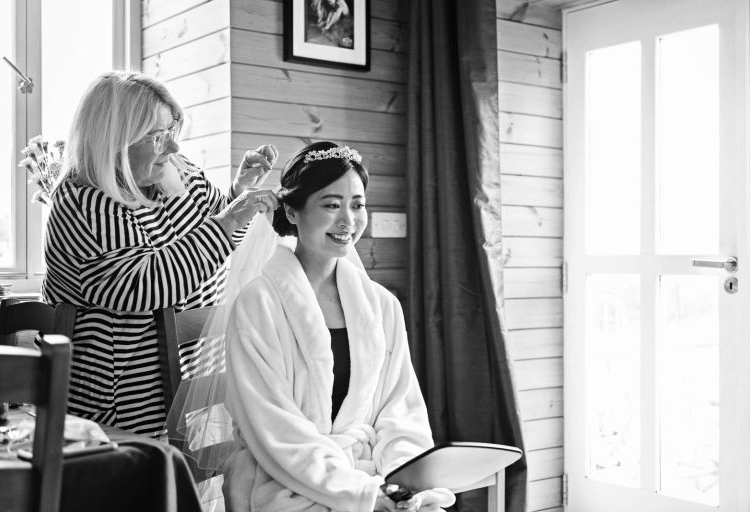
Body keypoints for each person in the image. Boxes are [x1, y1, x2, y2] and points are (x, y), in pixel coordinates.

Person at [218, 142, 456, 511]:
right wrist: (363, 496)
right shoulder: (258, 305)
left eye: (357, 205)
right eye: (331, 205)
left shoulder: (382, 305)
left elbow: (401, 411)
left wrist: (404, 482)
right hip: (281, 478)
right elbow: (274, 431)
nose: (348, 221)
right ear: (293, 212)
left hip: (371, 474)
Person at [41, 70, 279, 437]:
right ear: (113, 141)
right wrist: (229, 219)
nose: (173, 148)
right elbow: (146, 285)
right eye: (156, 136)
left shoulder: (174, 172)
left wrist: (238, 192)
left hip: (190, 379)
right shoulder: (84, 201)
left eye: (171, 132)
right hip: (119, 406)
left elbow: (217, 225)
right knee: (143, 488)